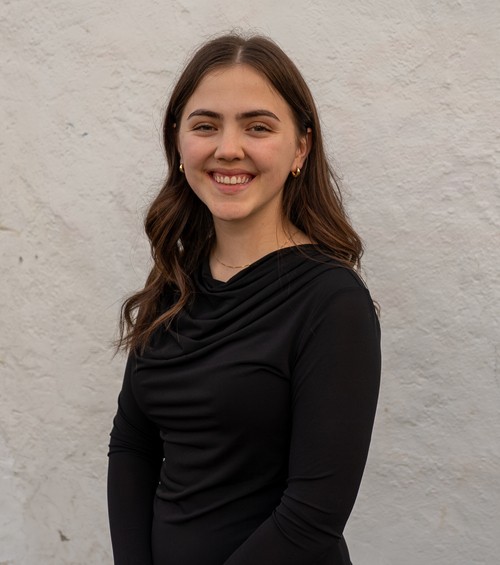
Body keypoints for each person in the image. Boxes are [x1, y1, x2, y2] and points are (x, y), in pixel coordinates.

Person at [107, 34, 381, 565]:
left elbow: (314, 515)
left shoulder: (332, 303)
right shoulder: (174, 283)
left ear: (300, 148)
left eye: (257, 127)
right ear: (178, 142)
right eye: (205, 125)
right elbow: (133, 445)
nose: (228, 148)